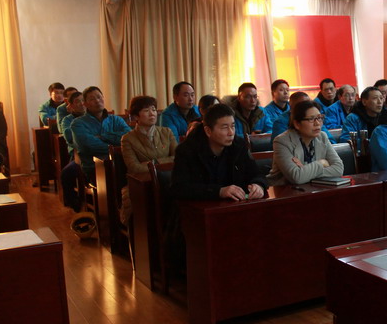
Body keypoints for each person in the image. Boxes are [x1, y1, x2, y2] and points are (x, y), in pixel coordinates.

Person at [171, 103, 267, 201]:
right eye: (225, 128)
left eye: (233, 126)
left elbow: (257, 174)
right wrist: (219, 191)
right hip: (201, 206)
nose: (231, 133)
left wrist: (258, 185)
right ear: (208, 131)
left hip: (235, 205)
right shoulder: (187, 150)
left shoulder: (239, 145)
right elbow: (180, 188)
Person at [120, 95, 177, 223]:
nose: (152, 114)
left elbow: (177, 158)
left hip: (168, 179)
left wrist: (154, 163)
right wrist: (165, 162)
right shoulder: (128, 139)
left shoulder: (166, 132)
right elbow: (134, 167)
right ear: (136, 116)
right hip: (142, 183)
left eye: (154, 109)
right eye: (146, 110)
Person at [267, 101, 343, 186]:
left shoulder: (322, 137)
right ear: (297, 124)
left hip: (313, 188)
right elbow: (296, 177)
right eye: (311, 119)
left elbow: (338, 169)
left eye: (319, 118)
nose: (317, 123)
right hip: (283, 190)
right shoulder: (282, 141)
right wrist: (322, 163)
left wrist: (305, 171)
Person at [70, 86, 131, 181]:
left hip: (122, 162)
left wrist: (102, 137)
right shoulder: (78, 123)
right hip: (94, 167)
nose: (97, 101)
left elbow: (129, 137)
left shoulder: (116, 119)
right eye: (92, 99)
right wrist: (117, 147)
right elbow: (88, 146)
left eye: (99, 97)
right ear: (85, 104)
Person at [60, 90, 86, 211]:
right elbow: (70, 137)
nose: (81, 103)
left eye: (83, 100)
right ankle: (74, 203)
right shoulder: (67, 120)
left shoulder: (92, 116)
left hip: (96, 153)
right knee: (66, 173)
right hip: (77, 156)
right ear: (70, 106)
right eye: (77, 102)